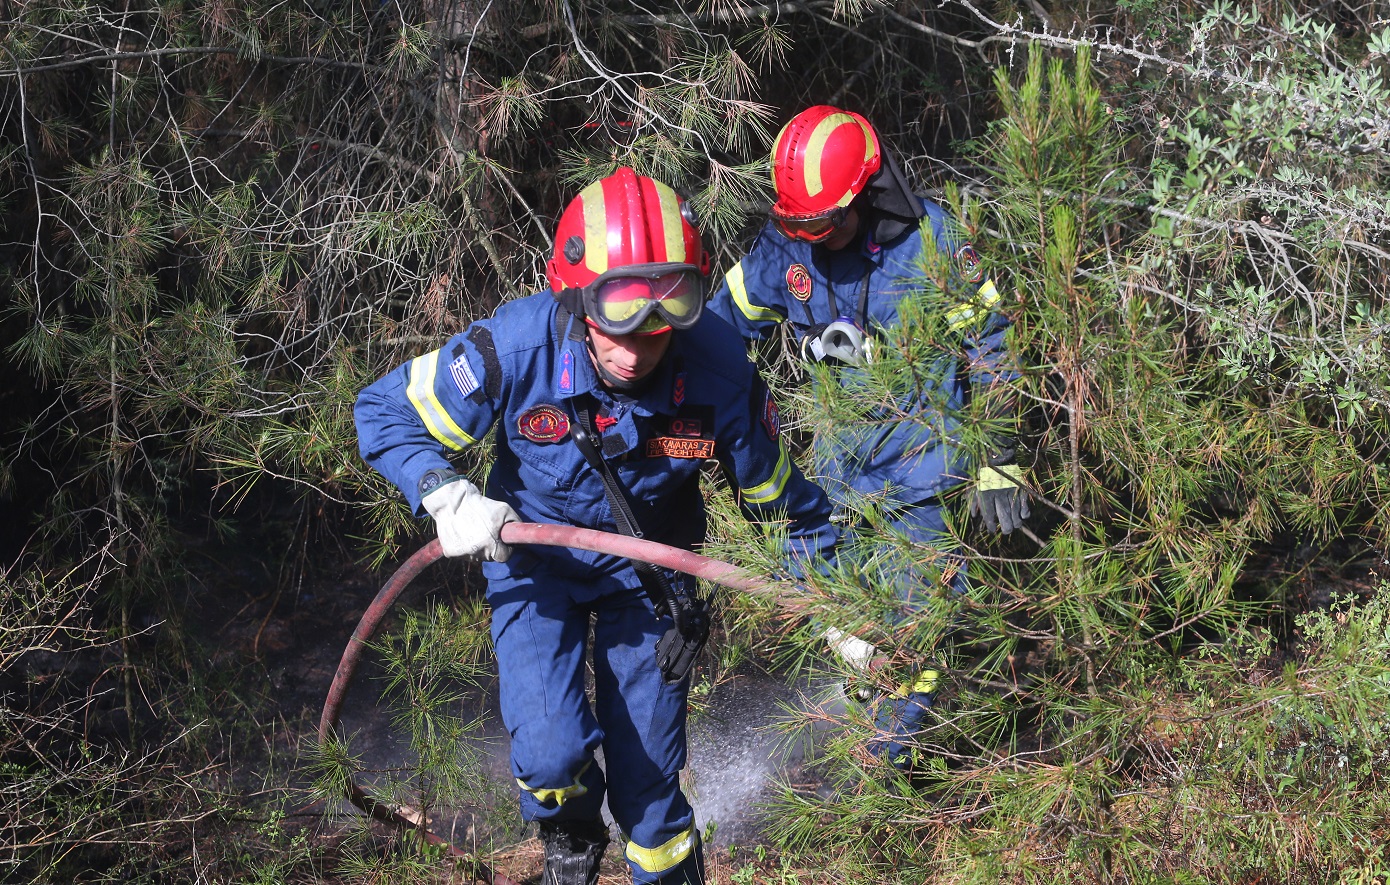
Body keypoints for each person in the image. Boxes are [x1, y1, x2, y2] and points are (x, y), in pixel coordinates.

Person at [354, 168, 842, 885]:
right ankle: (572, 833)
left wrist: (838, 605)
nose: (640, 341)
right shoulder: (517, 346)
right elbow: (383, 409)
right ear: (577, 296)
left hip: (648, 575)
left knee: (647, 791)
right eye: (619, 308)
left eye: (667, 305)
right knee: (551, 756)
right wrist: (445, 493)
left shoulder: (716, 371)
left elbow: (779, 500)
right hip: (532, 563)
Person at [706, 105, 1030, 769]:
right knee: (846, 634)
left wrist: (1000, 454)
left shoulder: (934, 239)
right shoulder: (786, 245)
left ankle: (885, 778)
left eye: (823, 222)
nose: (812, 237)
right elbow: (718, 330)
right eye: (799, 223)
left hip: (921, 479)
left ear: (865, 193)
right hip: (830, 486)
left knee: (920, 639)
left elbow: (989, 343)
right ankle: (866, 756)